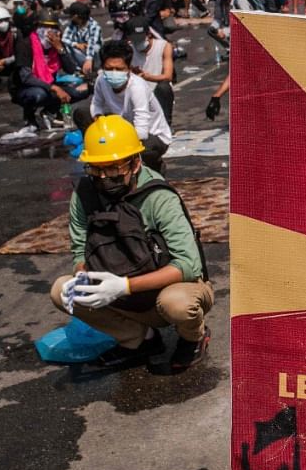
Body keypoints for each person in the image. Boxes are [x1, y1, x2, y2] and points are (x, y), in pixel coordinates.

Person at [49, 115, 211, 371]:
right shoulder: (84, 194)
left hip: (164, 289)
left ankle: (194, 337)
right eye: (96, 169)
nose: (104, 177)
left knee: (178, 304)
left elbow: (189, 265)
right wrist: (81, 275)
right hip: (119, 288)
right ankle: (140, 340)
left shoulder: (159, 197)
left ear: (135, 163)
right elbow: (78, 247)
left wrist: (123, 286)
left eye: (114, 168)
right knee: (63, 290)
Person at [79, 40, 172, 172]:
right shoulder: (101, 80)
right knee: (82, 112)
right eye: (109, 69)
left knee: (146, 151)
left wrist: (118, 145)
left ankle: (155, 166)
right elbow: (96, 104)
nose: (114, 73)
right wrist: (100, 129)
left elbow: (141, 129)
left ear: (129, 68)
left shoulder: (137, 87)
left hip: (152, 136)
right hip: (122, 128)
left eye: (119, 69)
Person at [125, 16, 176, 126]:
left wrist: (147, 77)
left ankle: (166, 123)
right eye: (135, 39)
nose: (138, 41)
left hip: (156, 90)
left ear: (148, 35)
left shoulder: (163, 46)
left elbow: (168, 76)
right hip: (137, 91)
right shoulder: (128, 49)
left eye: (141, 38)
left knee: (164, 87)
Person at [61, 1, 103, 78]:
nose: (69, 16)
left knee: (96, 48)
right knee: (67, 46)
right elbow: (64, 39)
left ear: (76, 16)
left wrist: (88, 60)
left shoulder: (94, 26)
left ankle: (97, 69)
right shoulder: (73, 24)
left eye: (71, 14)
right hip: (81, 53)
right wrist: (76, 44)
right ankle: (78, 69)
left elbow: (92, 44)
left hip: (93, 55)